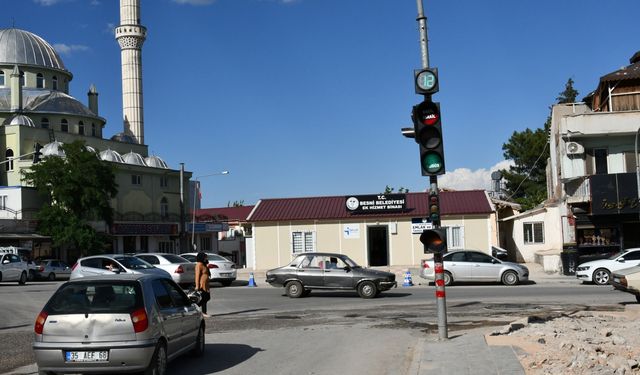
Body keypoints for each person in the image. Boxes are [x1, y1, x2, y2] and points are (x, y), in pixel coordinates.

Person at [195, 252, 211, 317]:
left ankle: (203, 312)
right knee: (205, 298)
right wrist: (197, 286)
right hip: (202, 285)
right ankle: (198, 310)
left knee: (207, 297)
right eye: (205, 257)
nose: (206, 258)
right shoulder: (199, 265)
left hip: (206, 284)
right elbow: (197, 276)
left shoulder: (204, 264)